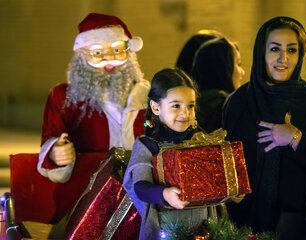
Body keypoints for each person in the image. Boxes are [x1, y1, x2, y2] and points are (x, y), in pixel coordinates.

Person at [222, 16, 306, 238]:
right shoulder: (239, 102)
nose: (283, 59)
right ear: (261, 52)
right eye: (274, 49)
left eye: (291, 50)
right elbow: (225, 163)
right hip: (245, 228)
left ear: (299, 56)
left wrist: (296, 138)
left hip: (303, 228)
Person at [37, 13, 149, 183]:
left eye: (117, 50)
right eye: (97, 52)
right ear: (82, 57)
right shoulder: (63, 98)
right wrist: (55, 153)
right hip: (86, 191)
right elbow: (52, 139)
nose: (109, 59)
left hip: (142, 191)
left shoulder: (150, 95)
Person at [124, 68, 218, 239]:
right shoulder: (148, 145)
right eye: (176, 105)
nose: (185, 113)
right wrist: (164, 194)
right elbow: (139, 187)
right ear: (155, 107)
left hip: (204, 229)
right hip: (165, 229)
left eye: (190, 106)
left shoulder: (200, 141)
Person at [191, 37, 245, 133]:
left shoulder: (192, 101)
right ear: (223, 68)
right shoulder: (222, 103)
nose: (243, 72)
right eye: (238, 64)